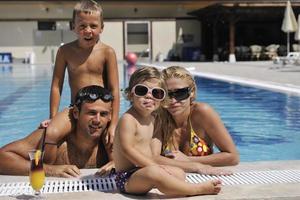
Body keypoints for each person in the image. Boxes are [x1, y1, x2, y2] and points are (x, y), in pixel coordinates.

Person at [113, 67, 222, 196]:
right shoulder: (128, 119)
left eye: (156, 93)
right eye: (141, 91)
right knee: (155, 172)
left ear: (162, 99)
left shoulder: (152, 119)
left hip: (143, 171)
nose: (149, 96)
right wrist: (153, 166)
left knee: (178, 173)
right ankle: (195, 190)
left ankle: (169, 183)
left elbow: (152, 153)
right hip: (126, 178)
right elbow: (127, 150)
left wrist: (158, 167)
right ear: (131, 94)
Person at [48, 0, 119, 147]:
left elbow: (114, 90)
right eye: (82, 26)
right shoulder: (65, 52)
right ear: (73, 26)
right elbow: (56, 86)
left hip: (101, 109)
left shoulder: (107, 52)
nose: (88, 30)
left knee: (113, 143)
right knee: (51, 133)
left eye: (93, 26)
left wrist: (113, 123)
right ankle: (52, 168)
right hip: (76, 108)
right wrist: (53, 117)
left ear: (102, 28)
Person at [0, 85, 114, 178]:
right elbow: (2, 157)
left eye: (103, 114)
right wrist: (49, 169)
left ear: (110, 116)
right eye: (92, 113)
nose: (97, 120)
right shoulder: (57, 141)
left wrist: (120, 164)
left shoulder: (110, 141)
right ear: (76, 113)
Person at [154, 66, 239, 166]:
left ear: (192, 91)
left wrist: (188, 160)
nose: (173, 101)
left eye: (180, 93)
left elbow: (233, 157)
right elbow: (152, 157)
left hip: (202, 178)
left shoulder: (202, 113)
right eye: (167, 95)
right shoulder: (159, 117)